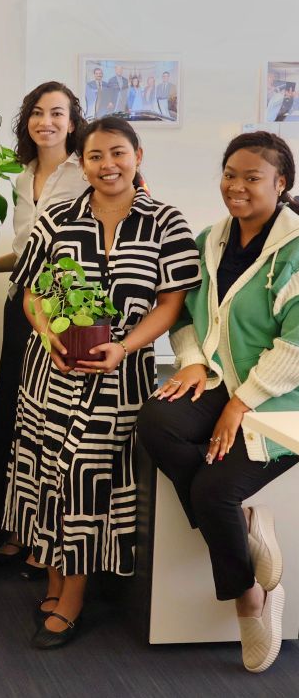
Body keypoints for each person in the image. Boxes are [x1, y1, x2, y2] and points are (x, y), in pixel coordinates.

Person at [4, 116, 201, 648]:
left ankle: (73, 595)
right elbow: (30, 293)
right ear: (82, 162)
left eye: (118, 153)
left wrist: (125, 346)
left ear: (138, 156)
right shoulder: (60, 217)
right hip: (52, 371)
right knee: (48, 472)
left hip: (121, 375)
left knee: (89, 479)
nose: (107, 164)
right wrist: (49, 337)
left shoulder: (166, 221)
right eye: (95, 156)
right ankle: (53, 576)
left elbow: (172, 303)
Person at [138, 131, 299, 673]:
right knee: (156, 421)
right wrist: (192, 361)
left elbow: (296, 345)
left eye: (253, 177)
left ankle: (249, 599)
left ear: (281, 184)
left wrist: (242, 403)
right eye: (231, 174)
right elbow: (185, 315)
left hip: (284, 401)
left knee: (211, 490)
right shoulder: (211, 238)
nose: (237, 186)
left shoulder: (297, 249)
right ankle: (244, 526)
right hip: (221, 381)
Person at [0, 82, 88, 581]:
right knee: (15, 412)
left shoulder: (88, 168)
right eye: (36, 111)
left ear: (73, 121)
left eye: (57, 113)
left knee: (55, 420)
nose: (45, 120)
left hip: (68, 308)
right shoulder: (19, 174)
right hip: (20, 301)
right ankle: (19, 526)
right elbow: (28, 250)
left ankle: (49, 538)